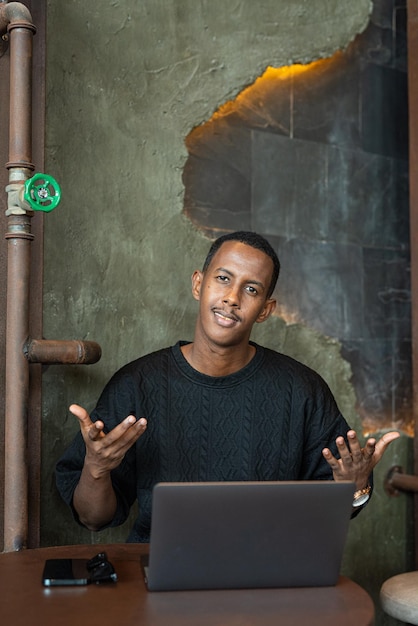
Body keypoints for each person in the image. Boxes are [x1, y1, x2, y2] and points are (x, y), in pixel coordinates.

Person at [56, 231, 400, 542]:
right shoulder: (137, 385)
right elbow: (92, 519)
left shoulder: (301, 390)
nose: (232, 297)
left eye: (251, 289)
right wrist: (96, 469)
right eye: (223, 279)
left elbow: (333, 511)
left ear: (265, 310)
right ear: (198, 284)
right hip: (160, 577)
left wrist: (354, 486)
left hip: (269, 581)